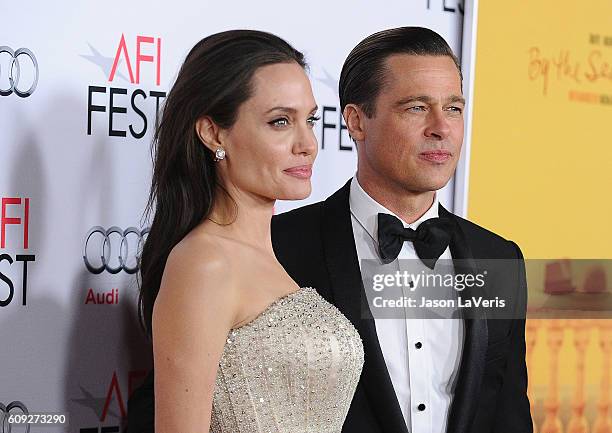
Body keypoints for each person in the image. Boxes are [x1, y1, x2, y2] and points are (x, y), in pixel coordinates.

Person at [271, 27, 532, 433]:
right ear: (356, 121)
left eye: (454, 109)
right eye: (415, 108)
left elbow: (509, 416)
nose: (441, 129)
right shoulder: (278, 247)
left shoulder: (498, 257)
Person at [132, 29, 364, 433]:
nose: (307, 143)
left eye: (309, 120)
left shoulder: (276, 256)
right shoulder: (204, 262)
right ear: (213, 133)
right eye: (280, 122)